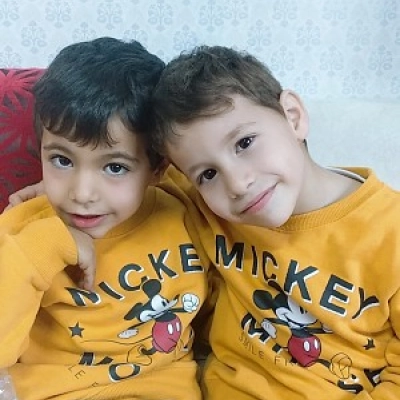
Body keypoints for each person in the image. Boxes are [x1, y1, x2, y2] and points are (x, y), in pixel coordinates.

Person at [150, 45, 400, 399]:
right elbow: (116, 175)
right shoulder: (209, 207)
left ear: (293, 117)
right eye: (208, 173)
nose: (237, 184)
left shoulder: (390, 230)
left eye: (244, 143)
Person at [0, 37, 209, 400]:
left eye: (114, 167)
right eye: (62, 160)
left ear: (159, 167)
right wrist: (44, 246)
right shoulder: (23, 231)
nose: (82, 193)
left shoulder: (185, 207)